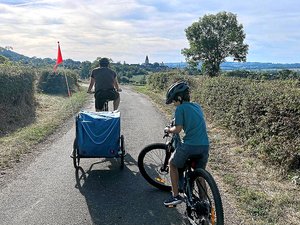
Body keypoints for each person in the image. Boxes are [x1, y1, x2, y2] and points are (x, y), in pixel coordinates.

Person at [163, 81, 210, 206]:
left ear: (179, 98)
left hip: (190, 146)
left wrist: (168, 129)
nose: (173, 104)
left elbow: (177, 129)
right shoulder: (197, 106)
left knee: (172, 164)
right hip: (204, 146)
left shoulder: (180, 108)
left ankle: (175, 196)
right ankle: (204, 201)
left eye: (174, 101)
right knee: (200, 173)